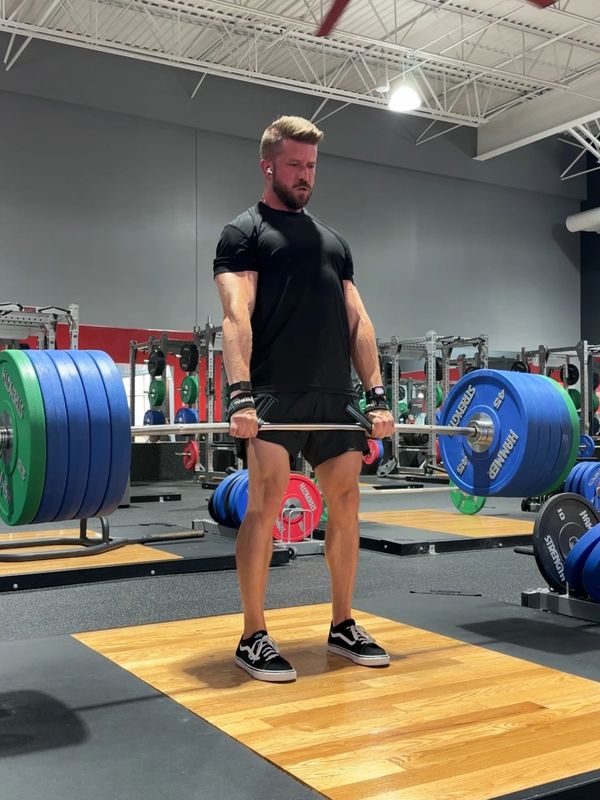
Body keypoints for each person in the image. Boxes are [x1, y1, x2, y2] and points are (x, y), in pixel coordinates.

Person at [213, 115, 395, 682]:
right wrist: (241, 395)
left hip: (334, 396)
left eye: (311, 166)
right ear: (268, 164)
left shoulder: (334, 243)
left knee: (346, 505)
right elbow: (236, 315)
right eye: (294, 164)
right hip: (272, 393)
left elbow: (357, 318)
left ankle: (342, 625)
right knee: (264, 507)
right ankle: (253, 634)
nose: (304, 175)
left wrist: (377, 394)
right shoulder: (243, 233)